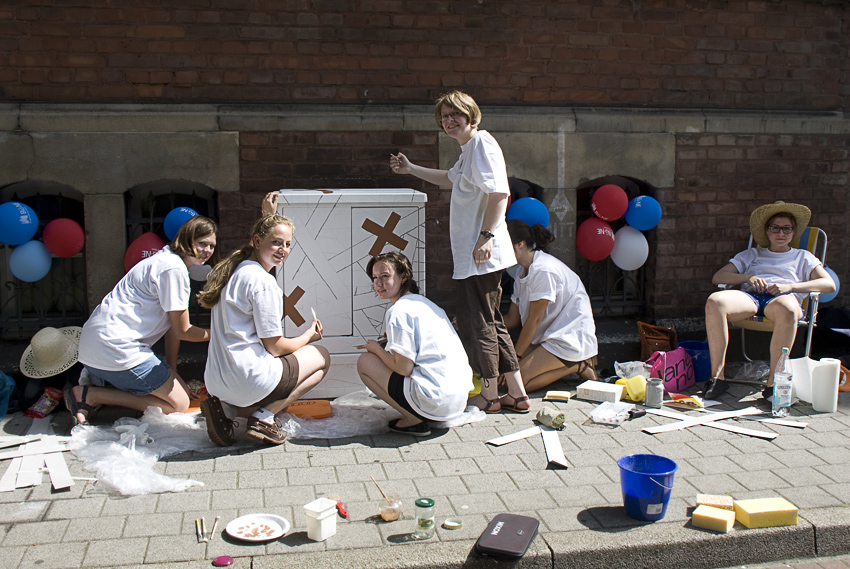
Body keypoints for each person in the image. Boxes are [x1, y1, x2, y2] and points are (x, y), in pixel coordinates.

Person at [390, 90, 529, 414]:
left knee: (476, 322)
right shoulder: (469, 150)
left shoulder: (481, 144)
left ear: (470, 115)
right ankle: (518, 394)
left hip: (480, 253)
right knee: (492, 321)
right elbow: (450, 179)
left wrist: (486, 237)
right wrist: (411, 168)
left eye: (456, 114)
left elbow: (499, 193)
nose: (449, 121)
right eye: (444, 116)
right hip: (478, 252)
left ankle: (491, 395)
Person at [69, 216, 220, 425]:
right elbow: (183, 331)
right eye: (201, 243)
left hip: (91, 350)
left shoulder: (162, 261)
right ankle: (91, 395)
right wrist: (220, 334)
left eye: (211, 245)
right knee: (179, 405)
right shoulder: (173, 269)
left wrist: (172, 369)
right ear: (186, 239)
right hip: (117, 350)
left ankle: (95, 389)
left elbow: (172, 329)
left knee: (179, 391)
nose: (207, 250)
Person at [198, 214, 330, 446]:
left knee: (266, 374)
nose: (283, 249)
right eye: (277, 242)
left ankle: (226, 413)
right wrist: (308, 335)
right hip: (247, 379)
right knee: (322, 356)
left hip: (216, 382)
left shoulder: (232, 272)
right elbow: (276, 347)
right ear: (257, 242)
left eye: (288, 244)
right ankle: (264, 417)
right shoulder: (262, 281)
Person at [703, 201, 835, 399]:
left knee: (788, 308)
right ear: (767, 231)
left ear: (793, 232)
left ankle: (774, 383)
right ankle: (718, 379)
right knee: (715, 301)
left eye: (786, 229)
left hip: (783, 301)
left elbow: (829, 284)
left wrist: (790, 287)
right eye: (775, 228)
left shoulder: (803, 256)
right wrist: (748, 278)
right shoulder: (752, 254)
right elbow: (719, 277)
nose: (781, 233)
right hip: (751, 298)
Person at [356, 252, 472, 436]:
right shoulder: (426, 304)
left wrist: (376, 349)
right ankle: (421, 413)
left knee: (365, 361)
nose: (378, 283)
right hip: (457, 402)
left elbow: (404, 368)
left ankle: (413, 419)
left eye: (385, 276)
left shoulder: (398, 311)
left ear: (403, 277)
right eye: (375, 278)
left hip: (435, 401)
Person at [504, 220, 599, 392]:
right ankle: (573, 364)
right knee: (506, 381)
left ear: (520, 244)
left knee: (517, 385)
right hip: (548, 336)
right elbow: (512, 319)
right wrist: (479, 324)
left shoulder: (543, 270)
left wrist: (515, 359)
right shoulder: (521, 272)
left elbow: (534, 320)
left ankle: (578, 365)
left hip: (568, 337)